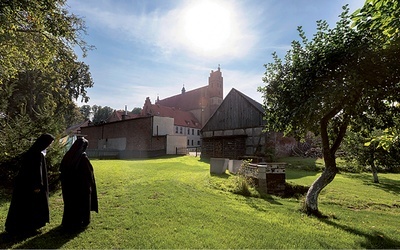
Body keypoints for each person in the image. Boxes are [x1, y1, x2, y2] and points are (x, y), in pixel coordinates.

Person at [5, 133, 55, 234]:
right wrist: (37, 186)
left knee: (23, 205)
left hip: (25, 185)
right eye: (49, 143)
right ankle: (28, 228)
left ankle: (22, 226)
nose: (49, 146)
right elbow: (35, 171)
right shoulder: (36, 154)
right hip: (31, 186)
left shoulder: (33, 152)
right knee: (30, 206)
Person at [59, 137, 98, 230]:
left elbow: (62, 170)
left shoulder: (68, 156)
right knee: (82, 204)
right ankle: (81, 221)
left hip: (69, 186)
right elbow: (89, 173)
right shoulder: (83, 158)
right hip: (81, 186)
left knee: (70, 205)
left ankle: (69, 222)